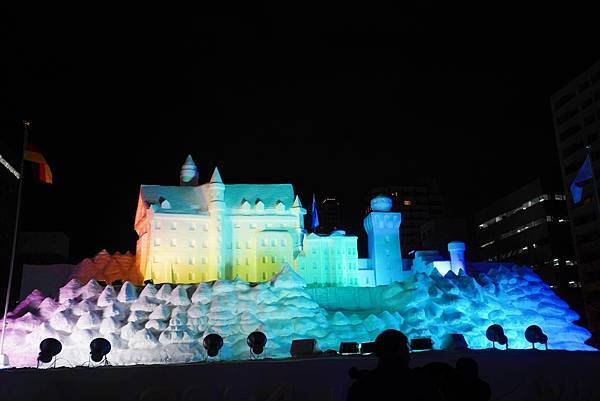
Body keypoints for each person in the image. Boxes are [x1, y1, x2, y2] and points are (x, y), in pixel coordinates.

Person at [347, 330, 440, 401]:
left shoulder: (361, 386)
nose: (409, 353)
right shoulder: (420, 383)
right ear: (402, 350)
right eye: (406, 348)